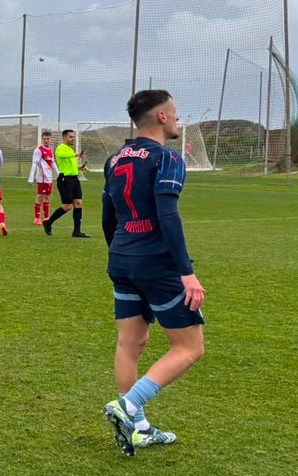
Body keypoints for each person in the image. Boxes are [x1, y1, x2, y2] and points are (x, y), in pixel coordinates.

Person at [101, 90, 205, 457]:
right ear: (161, 117)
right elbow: (167, 216)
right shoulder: (168, 158)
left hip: (122, 256)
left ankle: (140, 428)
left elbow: (109, 215)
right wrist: (186, 272)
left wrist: (120, 253)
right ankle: (128, 409)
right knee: (190, 347)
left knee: (131, 344)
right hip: (156, 262)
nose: (178, 118)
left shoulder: (114, 159)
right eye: (175, 112)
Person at [43, 129, 91, 238]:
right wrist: (76, 155)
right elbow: (63, 157)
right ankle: (48, 222)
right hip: (65, 180)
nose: (73, 139)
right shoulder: (60, 148)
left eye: (74, 137)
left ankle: (77, 231)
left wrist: (81, 168)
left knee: (78, 203)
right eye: (71, 137)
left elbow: (71, 166)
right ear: (64, 138)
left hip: (74, 179)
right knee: (67, 206)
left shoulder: (70, 150)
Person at [28, 131, 56, 225]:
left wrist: (58, 173)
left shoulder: (51, 150)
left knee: (48, 197)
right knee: (40, 196)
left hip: (49, 177)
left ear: (51, 139)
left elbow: (53, 163)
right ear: (42, 139)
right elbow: (34, 164)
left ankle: (47, 218)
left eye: (48, 139)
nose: (46, 140)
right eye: (44, 139)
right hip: (42, 177)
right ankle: (37, 218)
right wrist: (31, 178)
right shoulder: (38, 150)